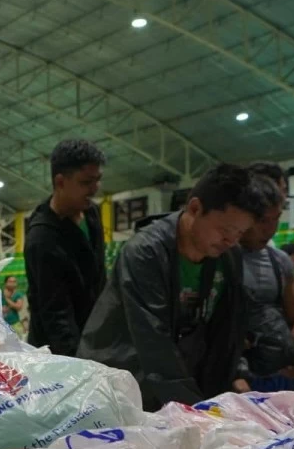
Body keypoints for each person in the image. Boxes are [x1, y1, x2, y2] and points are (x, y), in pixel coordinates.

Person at [78, 164, 276, 410]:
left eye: (240, 233)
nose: (231, 241)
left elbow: (225, 330)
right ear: (195, 208)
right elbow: (154, 341)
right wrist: (197, 410)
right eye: (225, 230)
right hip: (122, 379)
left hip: (175, 380)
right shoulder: (145, 253)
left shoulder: (228, 256)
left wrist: (235, 376)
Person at [23, 138, 107, 356]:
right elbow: (56, 316)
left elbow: (99, 279)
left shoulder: (91, 213)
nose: (95, 189)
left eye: (98, 180)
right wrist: (80, 364)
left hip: (93, 336)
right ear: (60, 182)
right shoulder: (42, 238)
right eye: (86, 182)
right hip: (57, 353)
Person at [237, 166, 294, 392]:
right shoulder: (215, 258)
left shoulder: (279, 261)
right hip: (233, 377)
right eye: (261, 221)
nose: (269, 229)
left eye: (276, 219)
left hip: (279, 375)